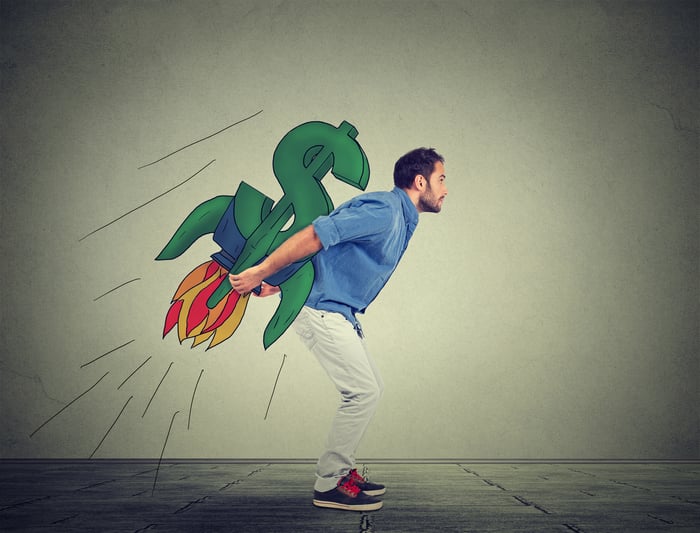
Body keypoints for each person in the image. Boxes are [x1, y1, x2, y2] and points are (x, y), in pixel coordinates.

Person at [230, 147, 447, 511]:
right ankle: (329, 484)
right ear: (420, 180)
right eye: (441, 179)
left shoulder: (400, 218)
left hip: (335, 311)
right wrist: (261, 271)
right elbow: (317, 235)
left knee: (370, 388)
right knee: (362, 392)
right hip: (322, 312)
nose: (445, 189)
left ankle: (340, 473)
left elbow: (332, 258)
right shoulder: (385, 211)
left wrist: (283, 286)